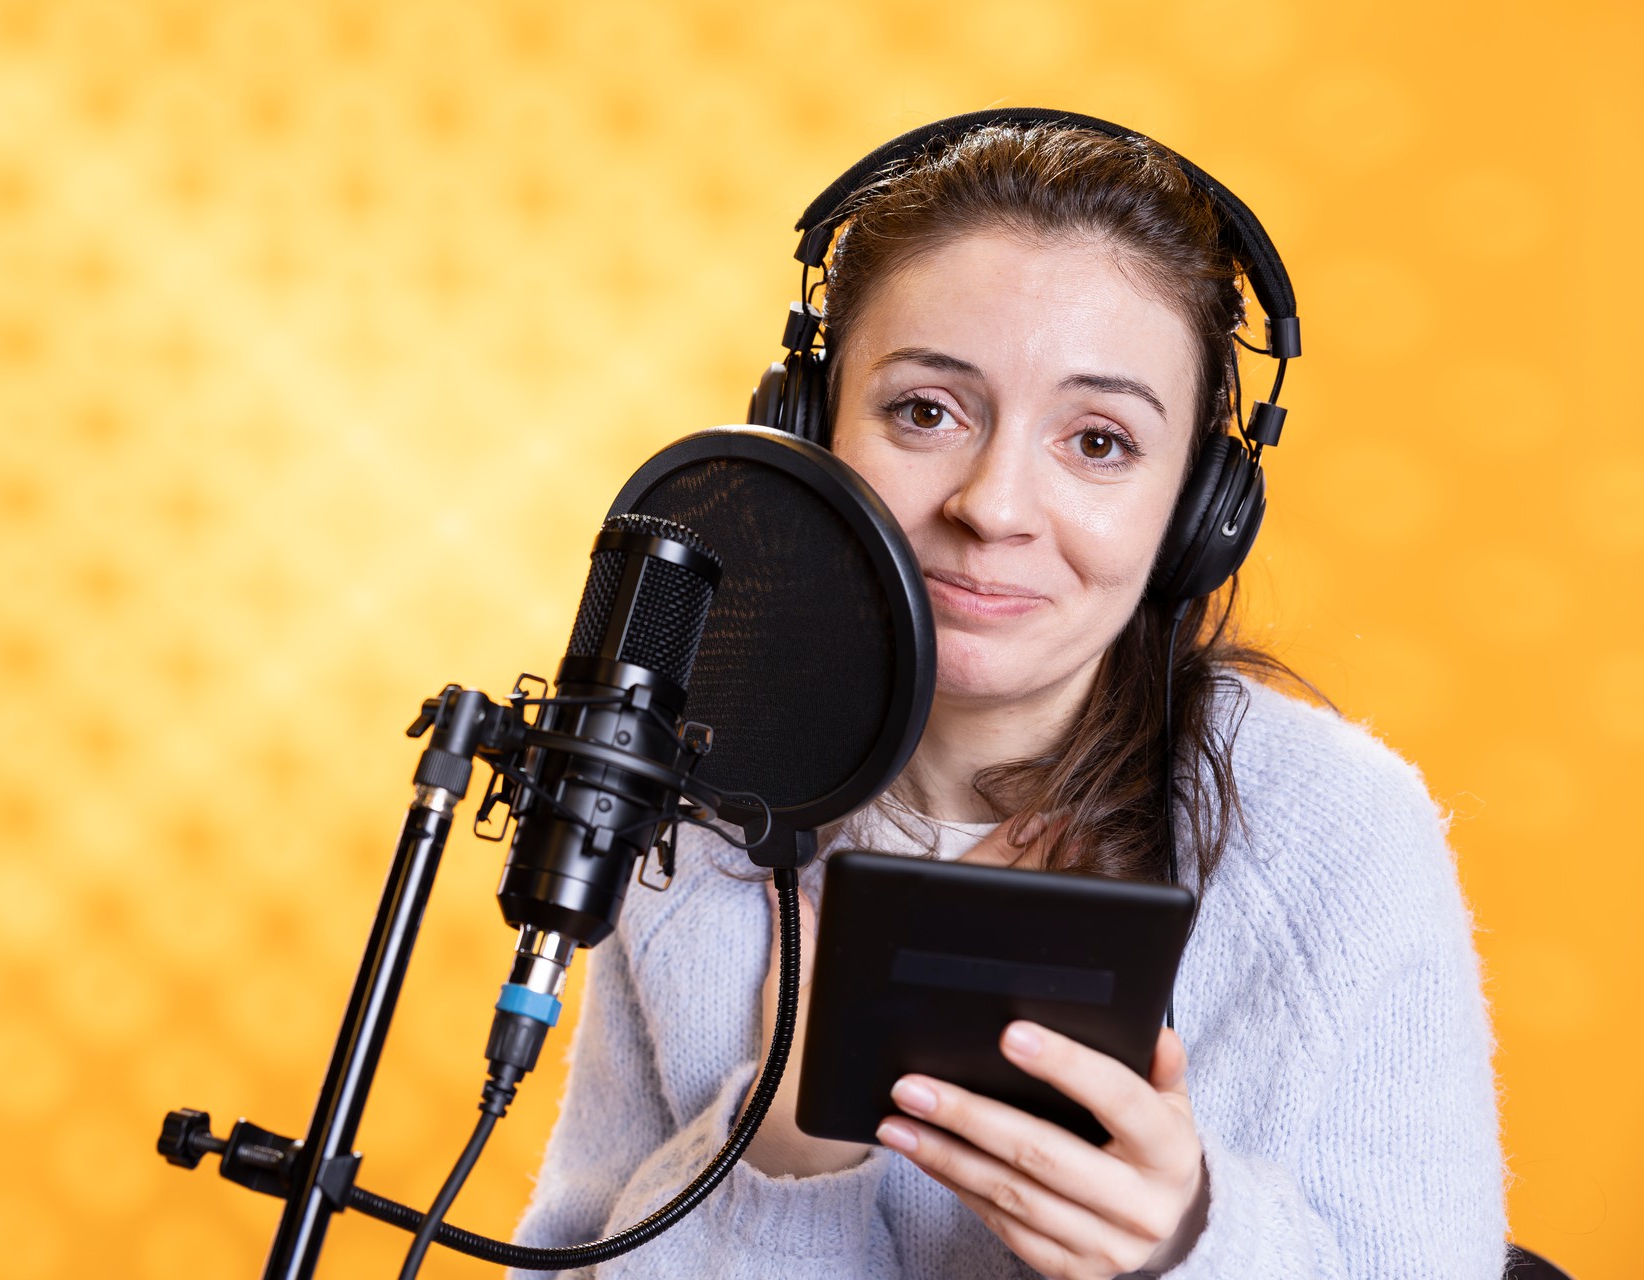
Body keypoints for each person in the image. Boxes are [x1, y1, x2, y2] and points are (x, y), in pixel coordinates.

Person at [508, 116, 1505, 1278]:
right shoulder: (694, 803)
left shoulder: (1332, 831)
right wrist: (783, 1139)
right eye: (926, 411)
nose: (994, 505)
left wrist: (1190, 1244)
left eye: (1097, 440)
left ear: (1199, 509)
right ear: (809, 425)